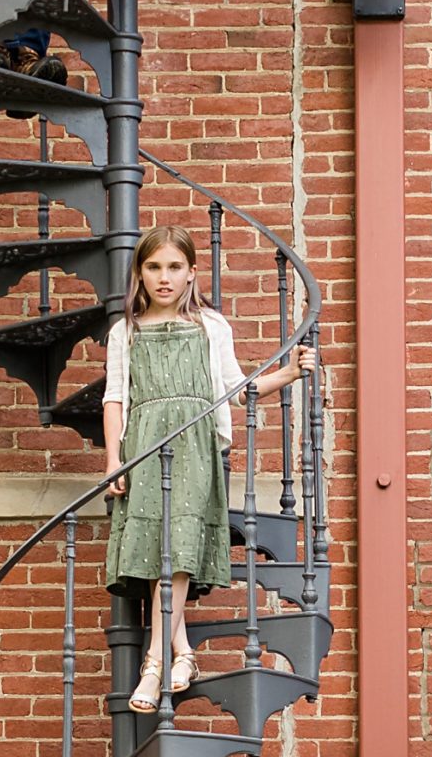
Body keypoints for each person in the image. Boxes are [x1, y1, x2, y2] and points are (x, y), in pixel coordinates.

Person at [103, 226, 316, 714]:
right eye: (154, 267)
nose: (164, 278)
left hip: (195, 447)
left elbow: (235, 387)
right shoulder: (126, 331)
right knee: (157, 551)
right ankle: (182, 654)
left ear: (191, 273)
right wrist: (114, 458)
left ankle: (154, 662)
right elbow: (115, 397)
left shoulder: (211, 326)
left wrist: (286, 374)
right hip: (144, 446)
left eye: (174, 267)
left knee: (177, 549)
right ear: (140, 273)